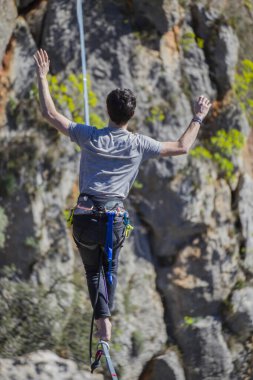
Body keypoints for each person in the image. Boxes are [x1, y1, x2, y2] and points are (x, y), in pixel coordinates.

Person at [33, 49, 212, 342]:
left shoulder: (89, 135)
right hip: (113, 221)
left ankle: (103, 325)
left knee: (93, 271)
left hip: (85, 218)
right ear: (132, 115)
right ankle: (106, 329)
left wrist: (43, 77)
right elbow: (182, 147)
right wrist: (198, 117)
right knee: (109, 269)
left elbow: (50, 114)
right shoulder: (139, 144)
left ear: (107, 110)